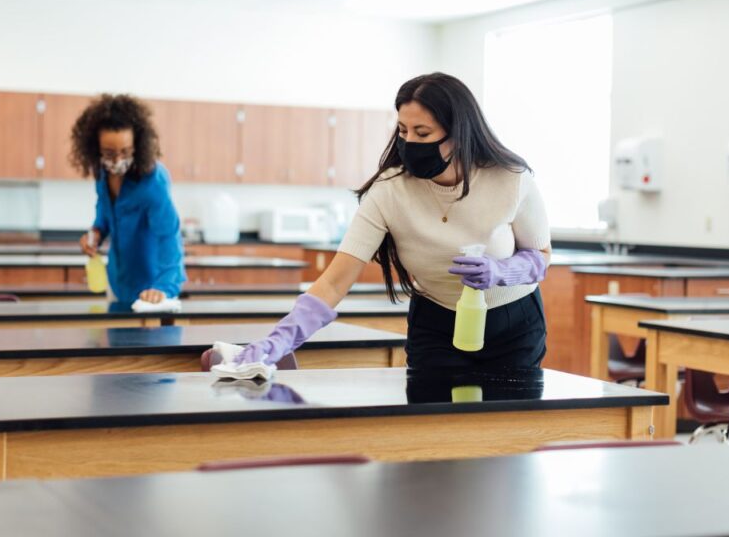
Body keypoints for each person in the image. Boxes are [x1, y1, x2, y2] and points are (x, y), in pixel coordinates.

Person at [231, 72, 551, 370]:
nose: (409, 141)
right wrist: (281, 340)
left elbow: (542, 256)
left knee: (506, 422)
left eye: (422, 132)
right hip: (435, 320)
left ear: (458, 133)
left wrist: (503, 271)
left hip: (513, 323)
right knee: (431, 422)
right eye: (402, 130)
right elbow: (333, 281)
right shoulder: (389, 190)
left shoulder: (509, 178)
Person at [70, 94, 186, 305]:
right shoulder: (102, 174)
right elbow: (104, 215)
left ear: (138, 145)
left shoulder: (153, 182)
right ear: (95, 149)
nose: (117, 160)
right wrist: (95, 234)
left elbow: (169, 237)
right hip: (117, 283)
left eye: (125, 151)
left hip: (151, 292)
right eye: (108, 152)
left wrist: (164, 288)